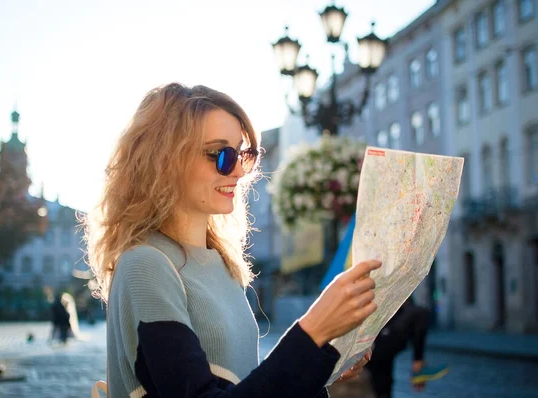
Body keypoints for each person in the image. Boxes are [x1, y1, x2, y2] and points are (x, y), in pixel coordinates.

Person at [85, 83, 381, 397]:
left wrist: (320, 365)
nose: (238, 171)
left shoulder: (220, 262)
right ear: (166, 160)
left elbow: (241, 386)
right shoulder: (145, 263)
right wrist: (312, 332)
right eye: (222, 155)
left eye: (242, 154)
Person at [365, 296, 449, 398]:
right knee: (379, 380)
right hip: (377, 338)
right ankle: (418, 368)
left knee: (383, 380)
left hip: (382, 337)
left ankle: (418, 368)